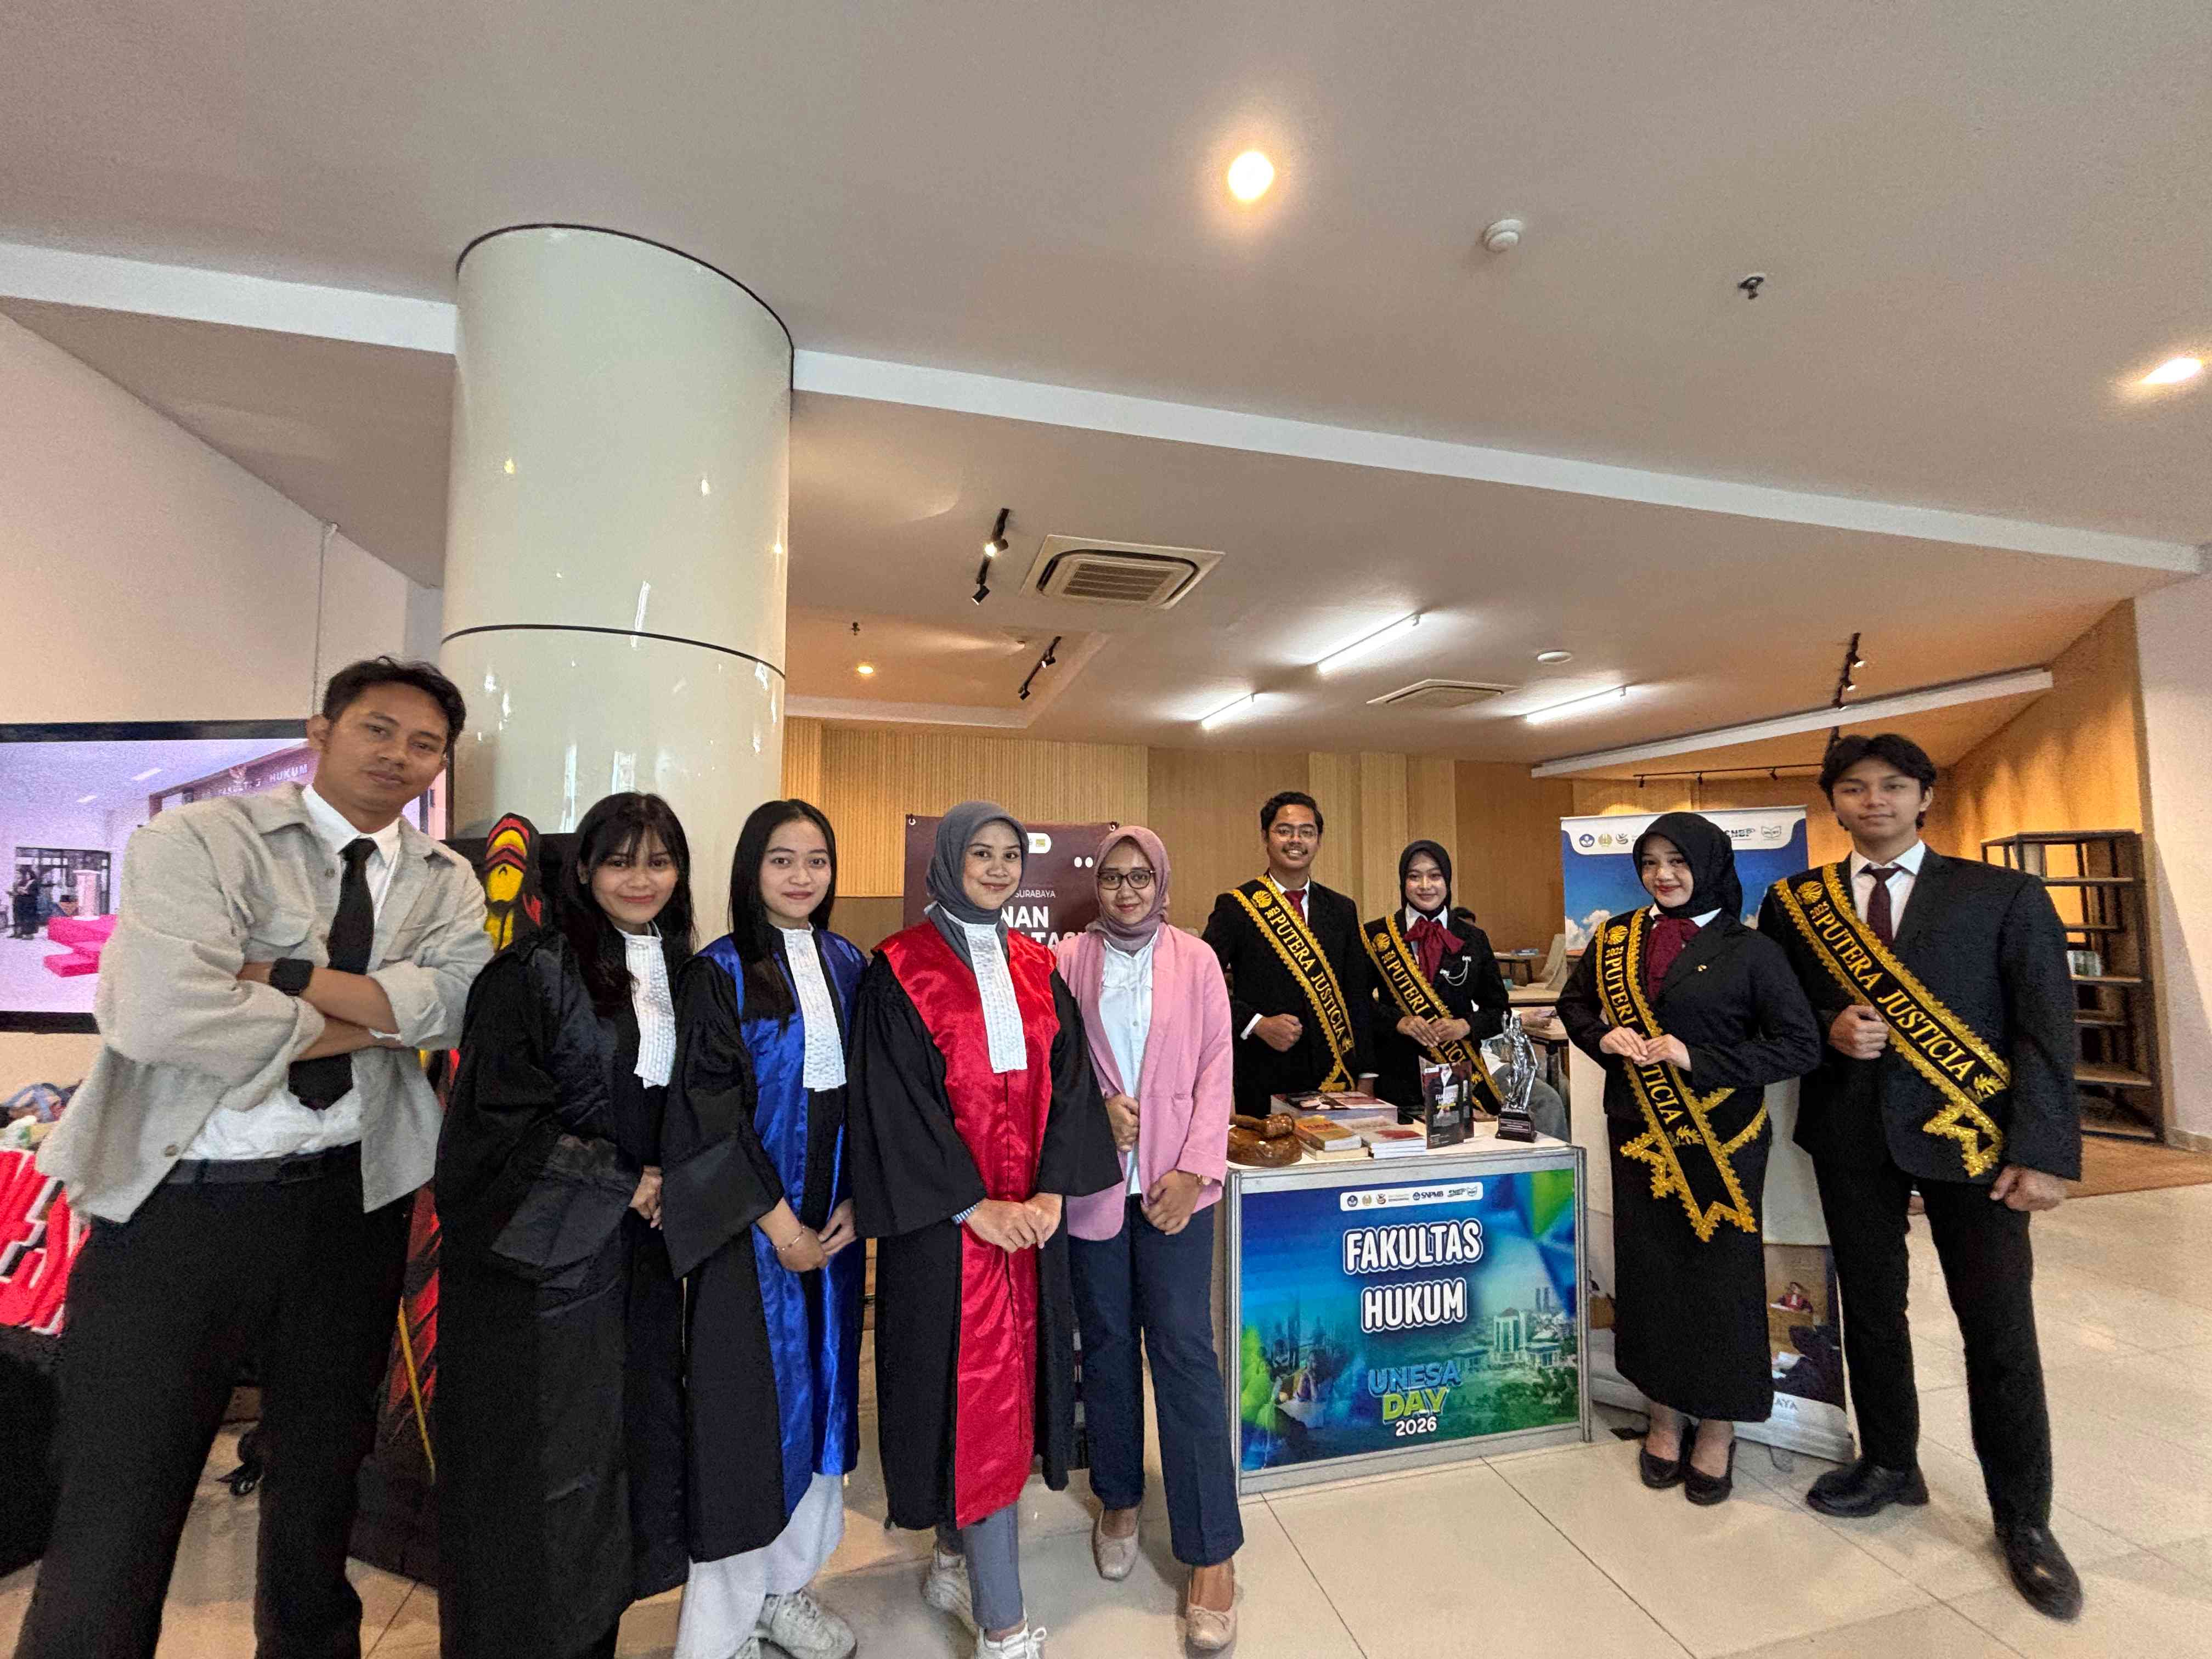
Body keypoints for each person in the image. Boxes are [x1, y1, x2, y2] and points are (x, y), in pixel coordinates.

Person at [21, 657, 490, 1659]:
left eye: (425, 744)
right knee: (122, 1490)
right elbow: (159, 1014)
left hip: (352, 1202)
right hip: (180, 1204)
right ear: (321, 731)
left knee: (323, 1477)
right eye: (377, 729)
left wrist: (273, 977)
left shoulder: (445, 877)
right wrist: (378, 1012)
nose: (399, 756)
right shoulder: (202, 838)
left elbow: (458, 1005)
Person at [1759, 733, 2084, 1620]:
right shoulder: (1796, 902)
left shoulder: (2000, 894)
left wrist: (2045, 1151)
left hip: (1974, 1144)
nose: (1874, 801)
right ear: (1834, 801)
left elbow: (2046, 1028)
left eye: (1893, 785)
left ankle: (2024, 1517)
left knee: (1999, 1328)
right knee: (1871, 1311)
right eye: (1854, 787)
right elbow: (1777, 1006)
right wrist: (1828, 1023)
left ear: (1924, 795)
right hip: (1851, 1136)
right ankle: (1889, 1462)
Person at [847, 803, 1121, 1659]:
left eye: (1010, 855)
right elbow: (896, 1105)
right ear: (948, 862)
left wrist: (1051, 1192)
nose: (999, 869)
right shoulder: (900, 968)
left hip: (1031, 1227)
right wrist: (973, 1206)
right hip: (944, 1232)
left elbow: (1071, 1085)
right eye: (981, 854)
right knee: (962, 1400)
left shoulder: (1038, 965)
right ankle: (1003, 1624)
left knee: (1007, 1398)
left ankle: (956, 1564)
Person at [435, 792, 705, 1659]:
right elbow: (491, 1133)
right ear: (582, 870)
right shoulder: (532, 973)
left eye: (659, 860)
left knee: (618, 1478)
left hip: (639, 1268)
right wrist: (622, 1182)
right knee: (543, 1484)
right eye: (620, 860)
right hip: (543, 1278)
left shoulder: (684, 973)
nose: (641, 879)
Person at [1559, 812, 1820, 1504]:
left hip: (1722, 1144)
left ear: (1708, 864)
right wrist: (1603, 1038)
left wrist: (1696, 1056)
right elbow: (1575, 1006)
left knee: (1718, 1280)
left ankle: (1720, 1426)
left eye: (1677, 861)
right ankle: (1664, 1414)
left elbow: (1799, 1045)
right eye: (1650, 862)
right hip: (1639, 1136)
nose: (1663, 875)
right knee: (1651, 1275)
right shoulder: (1616, 937)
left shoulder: (1751, 949)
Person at [667, 799, 865, 1659]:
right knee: (745, 1425)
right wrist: (779, 1225)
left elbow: (874, 1095)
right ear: (752, 869)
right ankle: (719, 1630)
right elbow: (710, 1114)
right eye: (781, 859)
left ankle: (786, 1590)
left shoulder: (850, 964)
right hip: (749, 1237)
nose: (801, 876)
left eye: (816, 860)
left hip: (834, 1236)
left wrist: (861, 1200)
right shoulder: (718, 973)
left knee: (821, 1412)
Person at [1054, 828, 1243, 1652]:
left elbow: (1216, 1070)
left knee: (1184, 1352)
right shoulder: (1068, 960)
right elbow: (1054, 1067)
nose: (1126, 891)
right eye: (1113, 877)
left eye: (1140, 877)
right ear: (1096, 884)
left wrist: (1195, 1170)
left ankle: (1212, 1552)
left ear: (1162, 882)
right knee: (1104, 1346)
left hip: (1175, 1191)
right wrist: (1092, 1117)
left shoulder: (1195, 960)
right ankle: (1121, 1499)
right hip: (1097, 1188)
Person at [1363, 839, 1570, 1141]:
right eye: (1414, 876)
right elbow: (1357, 1004)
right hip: (1398, 1073)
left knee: (1544, 1103)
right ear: (1403, 882)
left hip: (1462, 1069)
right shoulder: (1376, 935)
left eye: (1435, 876)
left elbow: (1497, 1010)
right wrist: (1400, 1022)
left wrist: (1465, 1025)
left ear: (1447, 881)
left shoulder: (1473, 938)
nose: (1425, 886)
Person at [1201, 791, 1372, 1114]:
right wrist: (1255, 1023)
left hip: (1336, 1075)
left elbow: (1357, 994)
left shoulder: (1342, 909)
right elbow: (1202, 985)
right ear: (1265, 837)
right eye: (1284, 831)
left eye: (1307, 832)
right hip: (1265, 1072)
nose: (1296, 840)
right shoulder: (1236, 907)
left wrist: (1367, 1072)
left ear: (1318, 840)